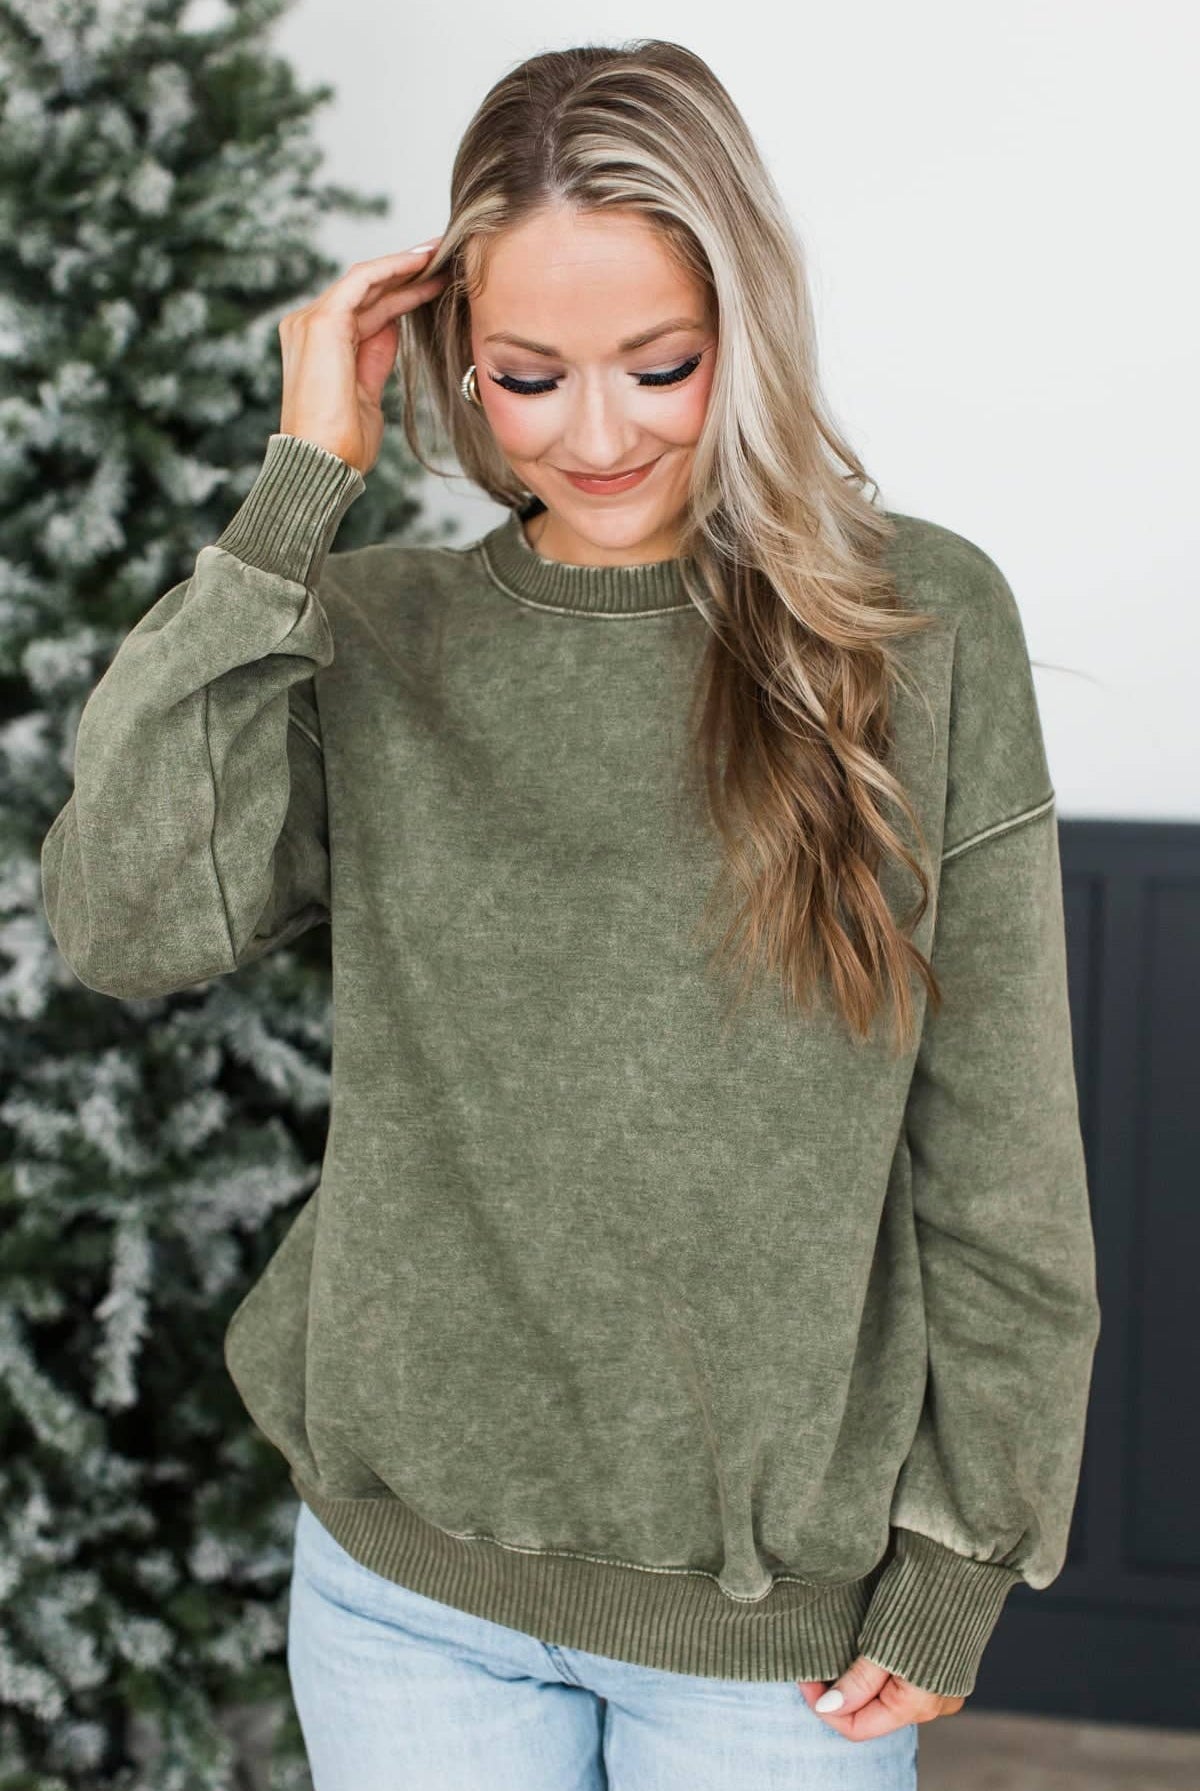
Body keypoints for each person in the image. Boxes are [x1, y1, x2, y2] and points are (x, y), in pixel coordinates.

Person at [39, 37, 1101, 1791]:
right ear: (457, 350)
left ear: (746, 331)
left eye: (660, 365)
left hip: (770, 1638)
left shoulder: (917, 623)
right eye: (529, 377)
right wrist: (295, 494)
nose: (596, 437)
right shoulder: (375, 635)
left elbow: (997, 1147)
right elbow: (124, 920)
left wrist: (961, 1559)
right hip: (402, 1598)